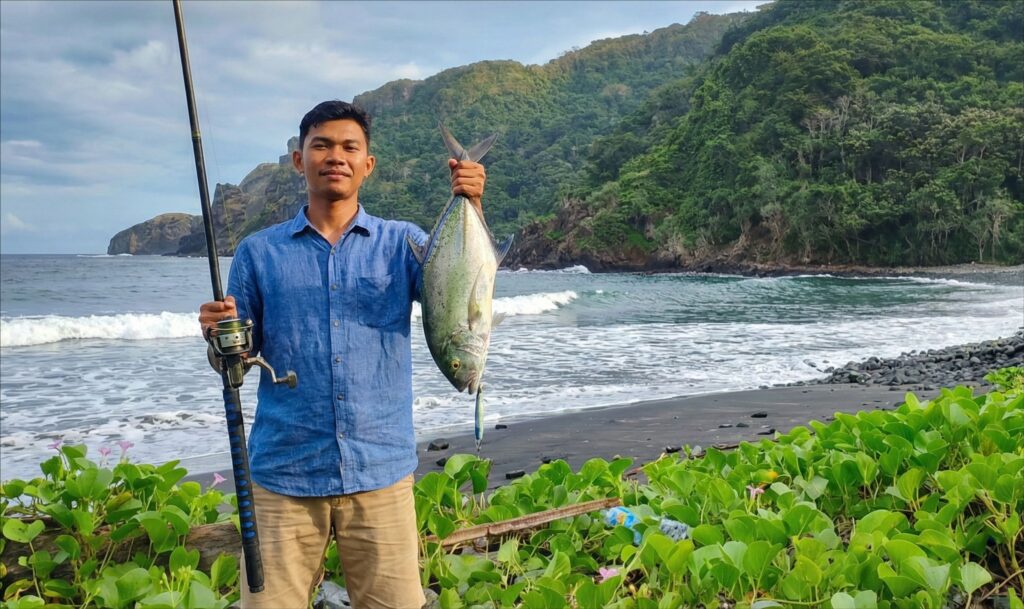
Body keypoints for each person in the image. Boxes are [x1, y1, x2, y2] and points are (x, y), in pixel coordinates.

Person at [198, 100, 487, 609]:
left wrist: (472, 204)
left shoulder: (404, 244)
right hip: (284, 475)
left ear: (367, 164)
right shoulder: (258, 252)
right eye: (322, 145)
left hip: (379, 470)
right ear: (298, 159)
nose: (336, 156)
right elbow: (237, 364)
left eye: (350, 147)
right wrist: (220, 339)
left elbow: (460, 288)